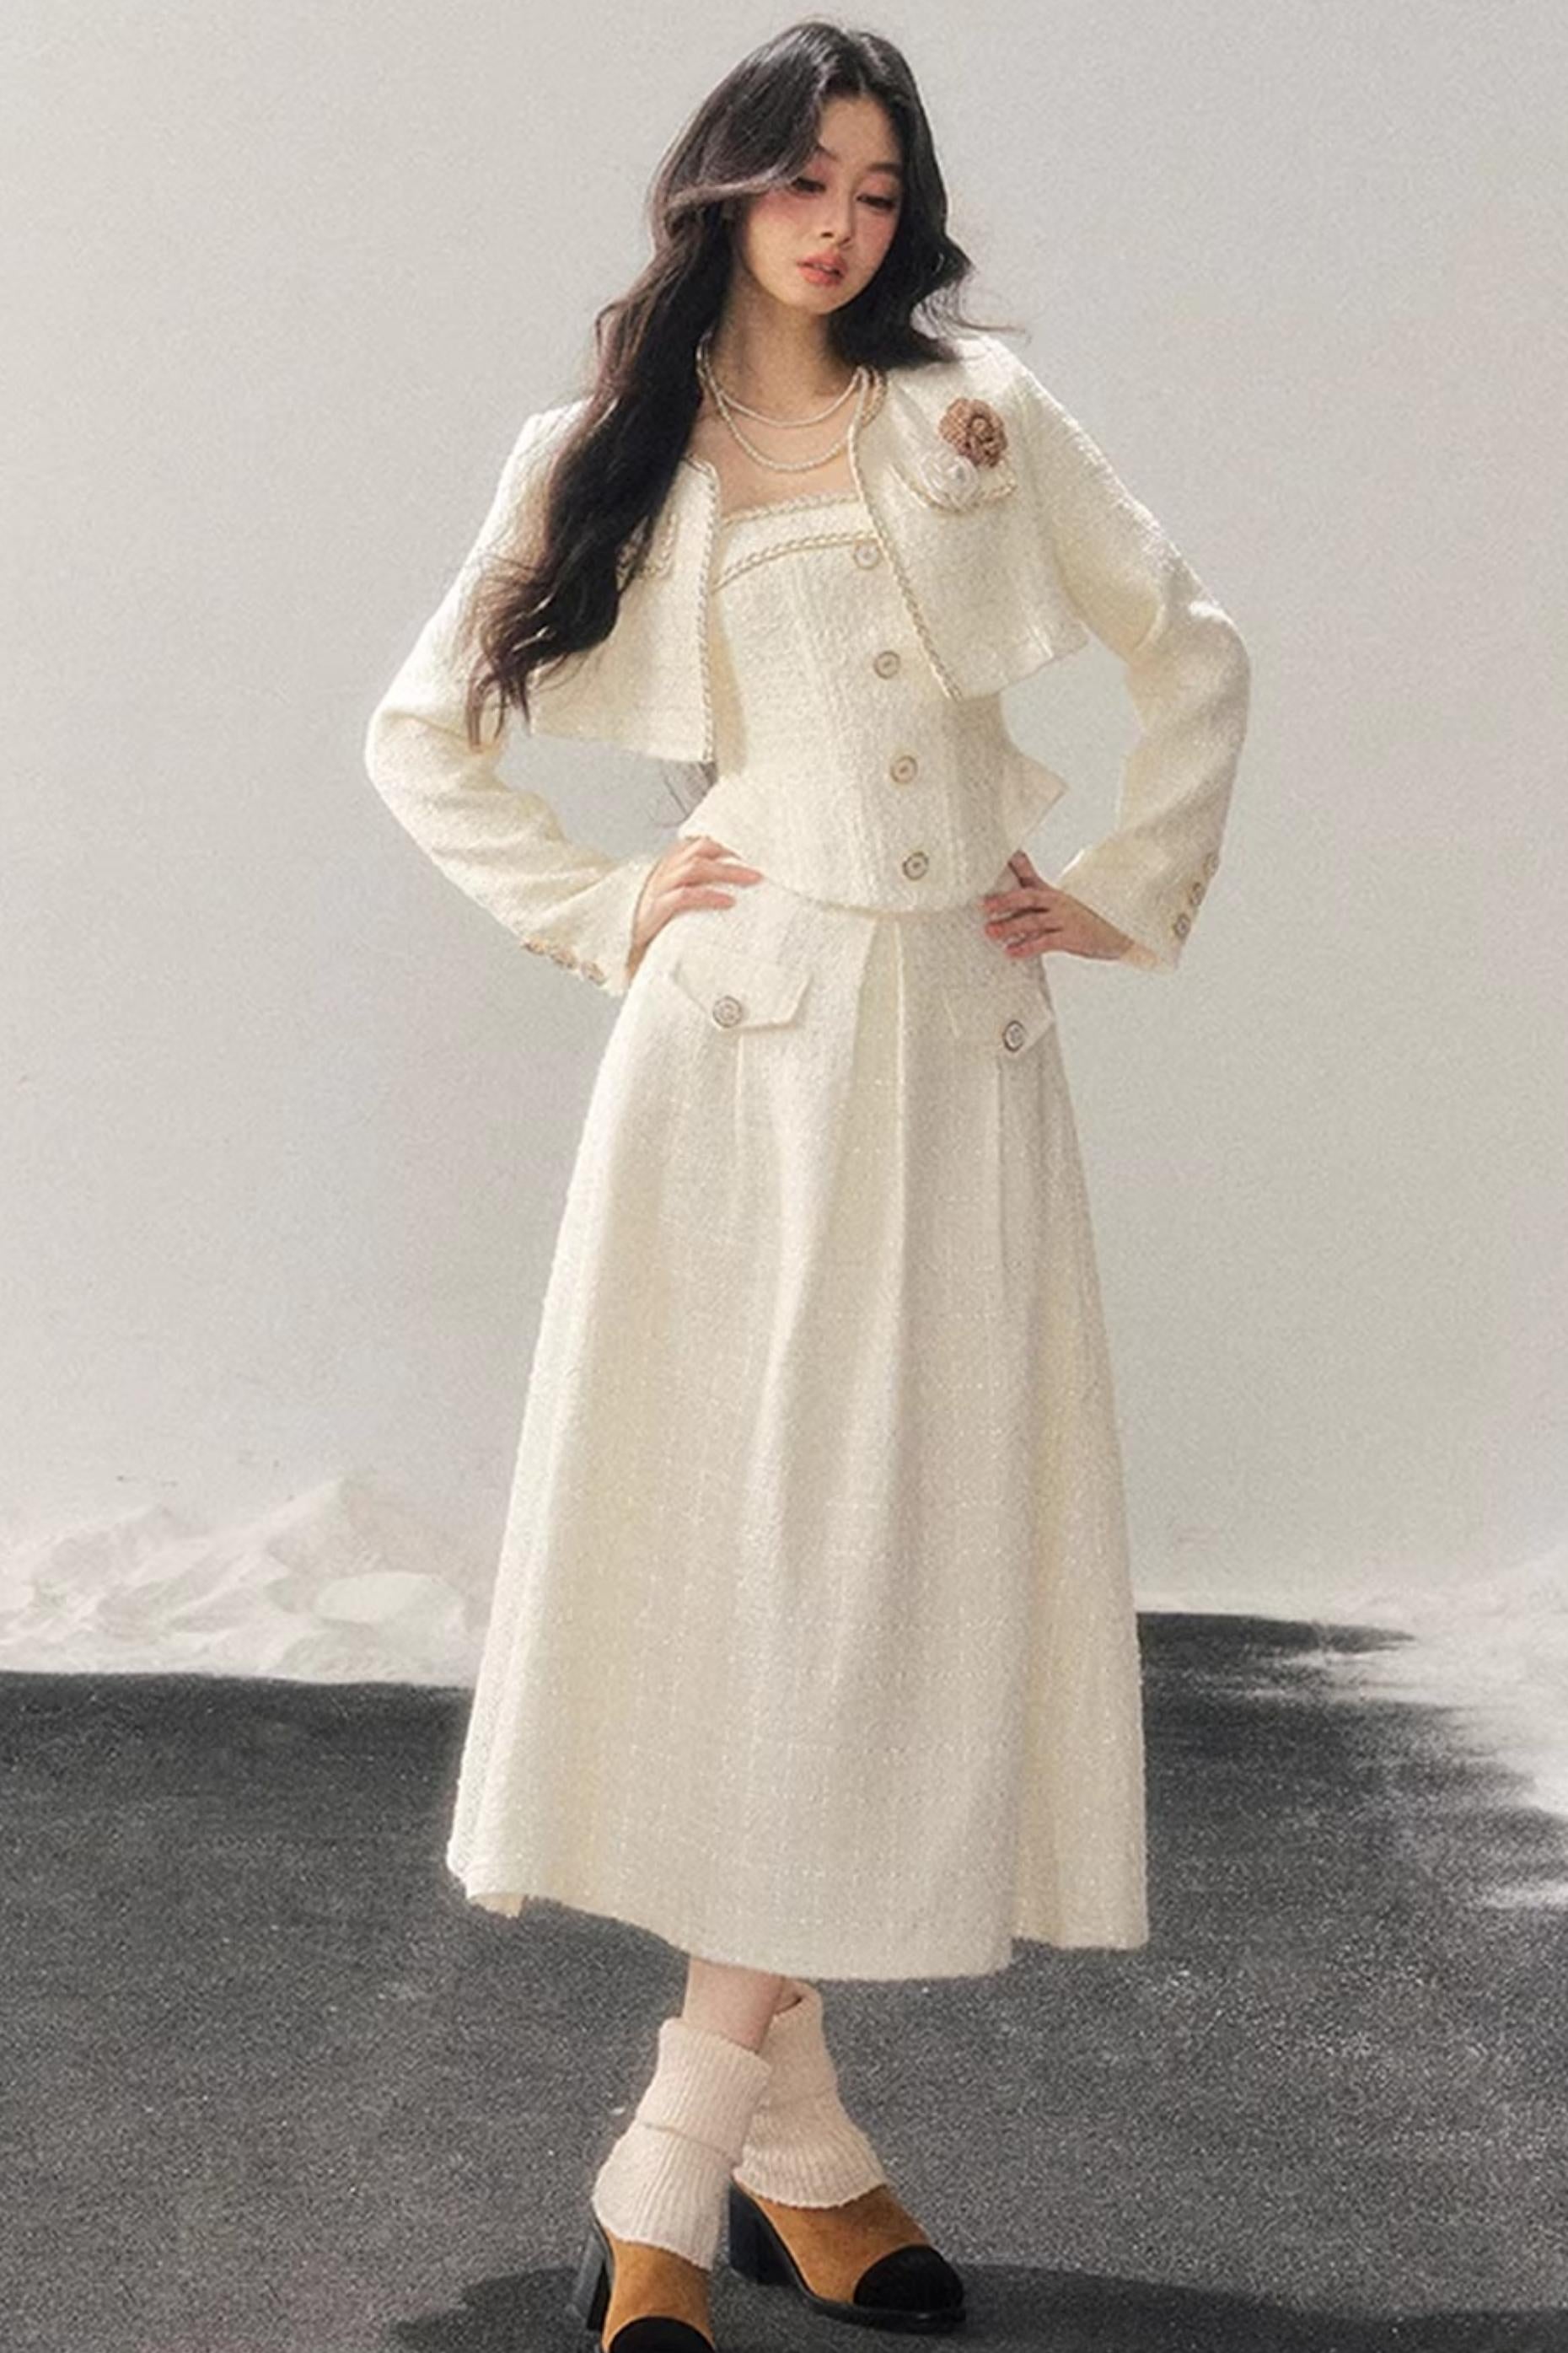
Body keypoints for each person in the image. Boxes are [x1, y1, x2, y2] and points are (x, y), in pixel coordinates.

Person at [362, 21, 1251, 2351]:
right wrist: (599, 906)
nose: (841, 224)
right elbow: (420, 733)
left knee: (885, 1564)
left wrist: (1119, 882)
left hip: (953, 1054)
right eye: (802, 182)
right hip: (738, 1064)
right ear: (723, 190)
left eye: (875, 187)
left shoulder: (975, 418)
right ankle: (755, 2152)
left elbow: (1193, 647)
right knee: (759, 1569)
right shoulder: (604, 450)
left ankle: (718, 2147)